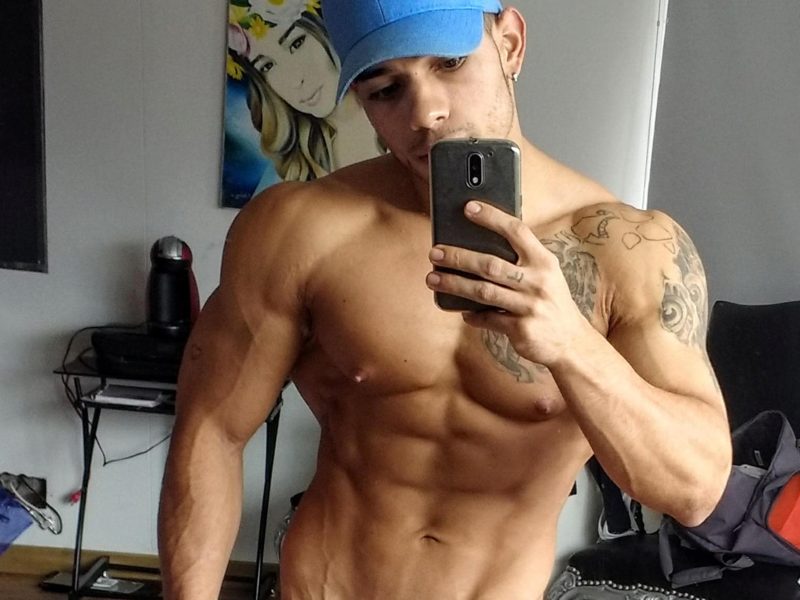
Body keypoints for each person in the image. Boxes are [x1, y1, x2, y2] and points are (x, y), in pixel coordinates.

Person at [158, 1, 733, 598]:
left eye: (451, 62)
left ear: (509, 43)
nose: (425, 113)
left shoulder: (628, 250)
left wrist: (571, 345)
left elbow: (694, 492)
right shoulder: (297, 230)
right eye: (386, 89)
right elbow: (212, 432)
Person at [225, 0, 380, 189]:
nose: (294, 80)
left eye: (296, 44)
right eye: (268, 66)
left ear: (326, 29)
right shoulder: (291, 176)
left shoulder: (403, 123)